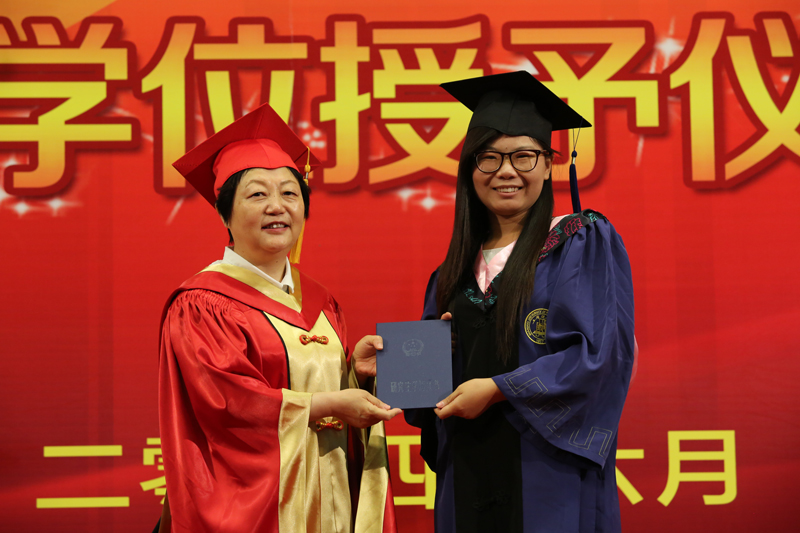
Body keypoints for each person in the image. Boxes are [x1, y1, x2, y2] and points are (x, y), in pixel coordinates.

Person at [405, 71, 636, 533]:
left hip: (549, 473)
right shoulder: (451, 274)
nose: (505, 171)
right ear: (470, 170)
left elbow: (599, 358)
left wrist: (499, 388)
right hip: (468, 474)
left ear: (549, 165)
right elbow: (424, 393)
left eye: (523, 156)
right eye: (488, 157)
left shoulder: (579, 242)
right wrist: (387, 369)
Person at [157, 103, 400, 533]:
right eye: (257, 195)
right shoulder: (202, 304)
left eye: (290, 193)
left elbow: (317, 388)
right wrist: (328, 405)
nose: (277, 206)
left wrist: (355, 374)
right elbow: (227, 406)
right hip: (256, 511)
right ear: (223, 213)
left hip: (327, 500)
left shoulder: (321, 302)